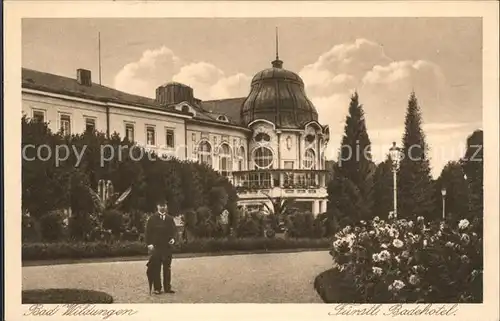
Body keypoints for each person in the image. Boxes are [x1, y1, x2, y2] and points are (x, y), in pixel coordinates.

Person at [145, 198, 177, 294]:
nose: (162, 207)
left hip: (167, 247)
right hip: (156, 247)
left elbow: (174, 231)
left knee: (167, 268)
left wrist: (173, 239)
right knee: (156, 267)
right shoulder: (152, 219)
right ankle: (157, 288)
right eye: (161, 205)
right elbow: (147, 232)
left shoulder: (170, 219)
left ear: (166, 206)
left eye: (164, 205)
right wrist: (149, 244)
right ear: (157, 206)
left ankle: (167, 287)